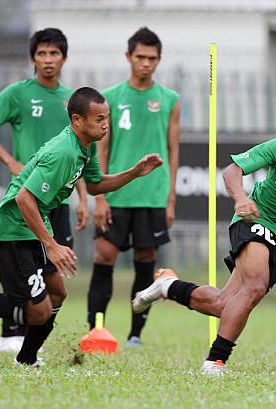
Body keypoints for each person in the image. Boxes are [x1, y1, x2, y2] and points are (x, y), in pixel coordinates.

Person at [0, 87, 163, 367]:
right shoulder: (63, 153)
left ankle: (27, 358)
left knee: (57, 294)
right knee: (36, 311)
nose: (106, 125)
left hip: (31, 229)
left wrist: (134, 173)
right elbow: (24, 198)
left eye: (107, 118)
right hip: (10, 233)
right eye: (98, 119)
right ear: (77, 120)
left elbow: (96, 184)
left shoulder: (84, 147)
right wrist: (51, 245)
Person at [132, 96, 276, 374]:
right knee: (254, 286)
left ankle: (167, 286)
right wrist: (240, 198)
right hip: (256, 218)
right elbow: (233, 170)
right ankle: (215, 361)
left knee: (223, 305)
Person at [0, 28, 89, 352]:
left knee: (54, 282)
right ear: (33, 58)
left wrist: (82, 197)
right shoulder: (18, 93)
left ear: (64, 58)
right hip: (28, 196)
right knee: (22, 263)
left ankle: (31, 341)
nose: (48, 60)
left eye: (54, 54)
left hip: (58, 200)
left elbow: (73, 154)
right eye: (42, 54)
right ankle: (11, 329)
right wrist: (9, 160)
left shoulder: (72, 100)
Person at [86, 27, 180, 347]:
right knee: (104, 257)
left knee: (146, 262)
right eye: (140, 57)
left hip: (152, 197)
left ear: (159, 60)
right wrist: (99, 197)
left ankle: (135, 335)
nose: (146, 64)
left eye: (152, 58)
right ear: (128, 57)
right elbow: (102, 149)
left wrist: (170, 200)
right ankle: (95, 329)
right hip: (116, 193)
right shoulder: (110, 98)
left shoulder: (170, 100)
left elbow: (173, 150)